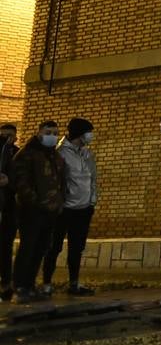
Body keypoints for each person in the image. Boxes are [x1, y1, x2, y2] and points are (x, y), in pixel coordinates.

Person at [10, 120, 66, 303]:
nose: (52, 136)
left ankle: (30, 285)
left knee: (41, 249)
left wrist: (59, 202)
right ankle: (19, 286)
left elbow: (60, 181)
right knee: (28, 247)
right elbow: (21, 182)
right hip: (31, 211)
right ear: (40, 132)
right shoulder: (27, 154)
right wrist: (33, 201)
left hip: (50, 211)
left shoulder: (55, 156)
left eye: (55, 132)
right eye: (48, 132)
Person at [42, 118, 98, 296]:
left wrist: (92, 201)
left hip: (83, 208)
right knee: (54, 246)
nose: (91, 135)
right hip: (64, 209)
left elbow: (92, 179)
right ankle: (46, 284)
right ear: (80, 134)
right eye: (89, 132)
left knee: (77, 247)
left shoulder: (87, 153)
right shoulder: (61, 153)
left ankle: (74, 283)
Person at [0, 123, 18, 301]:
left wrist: (9, 182)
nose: (6, 139)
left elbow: (22, 179)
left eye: (10, 136)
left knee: (5, 247)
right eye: (3, 135)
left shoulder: (18, 154)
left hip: (10, 208)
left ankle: (5, 283)